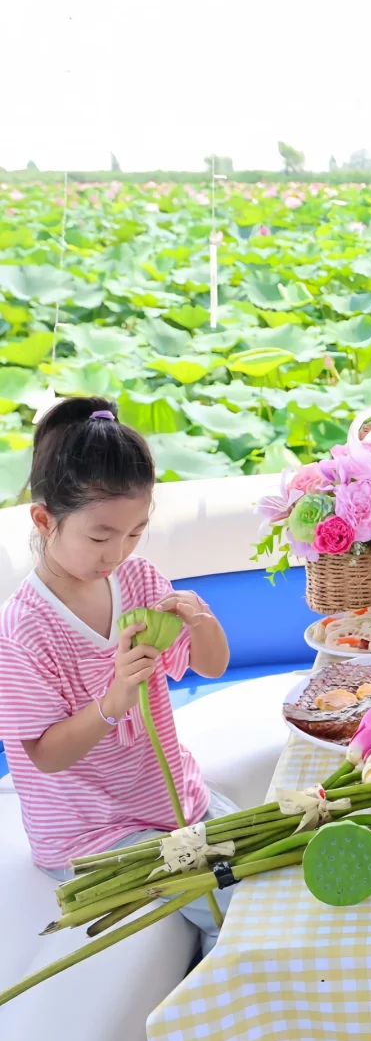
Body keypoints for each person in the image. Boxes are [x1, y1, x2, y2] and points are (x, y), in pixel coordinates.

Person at [0, 396, 235, 955]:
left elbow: (212, 665)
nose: (119, 552)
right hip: (91, 833)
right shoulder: (23, 630)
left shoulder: (139, 579)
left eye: (135, 533)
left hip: (172, 797)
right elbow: (45, 755)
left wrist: (201, 621)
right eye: (101, 537)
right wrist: (116, 698)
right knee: (233, 908)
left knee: (273, 881)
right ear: (43, 519)